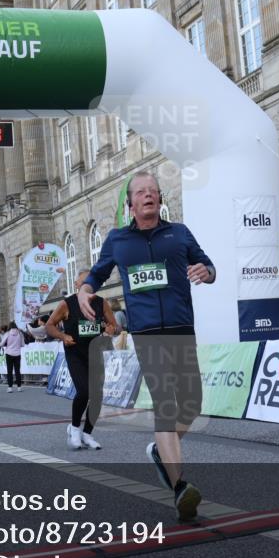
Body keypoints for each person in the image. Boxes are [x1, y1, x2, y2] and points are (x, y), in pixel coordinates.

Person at [79, 170, 215, 521]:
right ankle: (181, 487)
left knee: (192, 404)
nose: (149, 195)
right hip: (147, 332)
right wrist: (85, 289)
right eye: (141, 192)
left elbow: (208, 265)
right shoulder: (117, 240)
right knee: (166, 405)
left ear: (160, 198)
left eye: (153, 190)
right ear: (131, 203)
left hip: (182, 327)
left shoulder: (179, 233)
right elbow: (97, 273)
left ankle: (160, 450)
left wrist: (206, 272)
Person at [47, 270, 117, 451]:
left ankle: (87, 433)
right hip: (75, 353)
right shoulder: (66, 304)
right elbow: (49, 325)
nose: (87, 286)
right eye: (83, 282)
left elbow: (112, 324)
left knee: (98, 395)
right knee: (84, 391)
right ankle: (74, 428)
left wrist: (109, 331)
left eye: (90, 283)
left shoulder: (101, 303)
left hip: (95, 352)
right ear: (77, 285)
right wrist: (62, 336)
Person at [0, 321, 25, 393]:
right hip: (17, 353)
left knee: (9, 371)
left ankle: (10, 387)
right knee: (17, 371)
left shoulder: (7, 333)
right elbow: (23, 344)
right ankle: (19, 387)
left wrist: (5, 345)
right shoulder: (20, 333)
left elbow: (1, 344)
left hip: (9, 353)